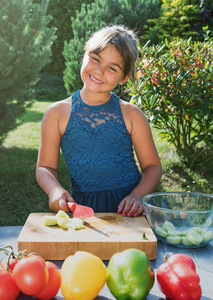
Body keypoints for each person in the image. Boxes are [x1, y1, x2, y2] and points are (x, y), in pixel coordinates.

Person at [36, 25, 162, 217]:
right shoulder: (56, 114)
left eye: (112, 68)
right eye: (95, 59)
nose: (99, 70)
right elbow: (45, 167)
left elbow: (152, 167)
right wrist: (54, 190)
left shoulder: (132, 114)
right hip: (83, 208)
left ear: (124, 78)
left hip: (128, 209)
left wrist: (138, 196)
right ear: (85, 55)